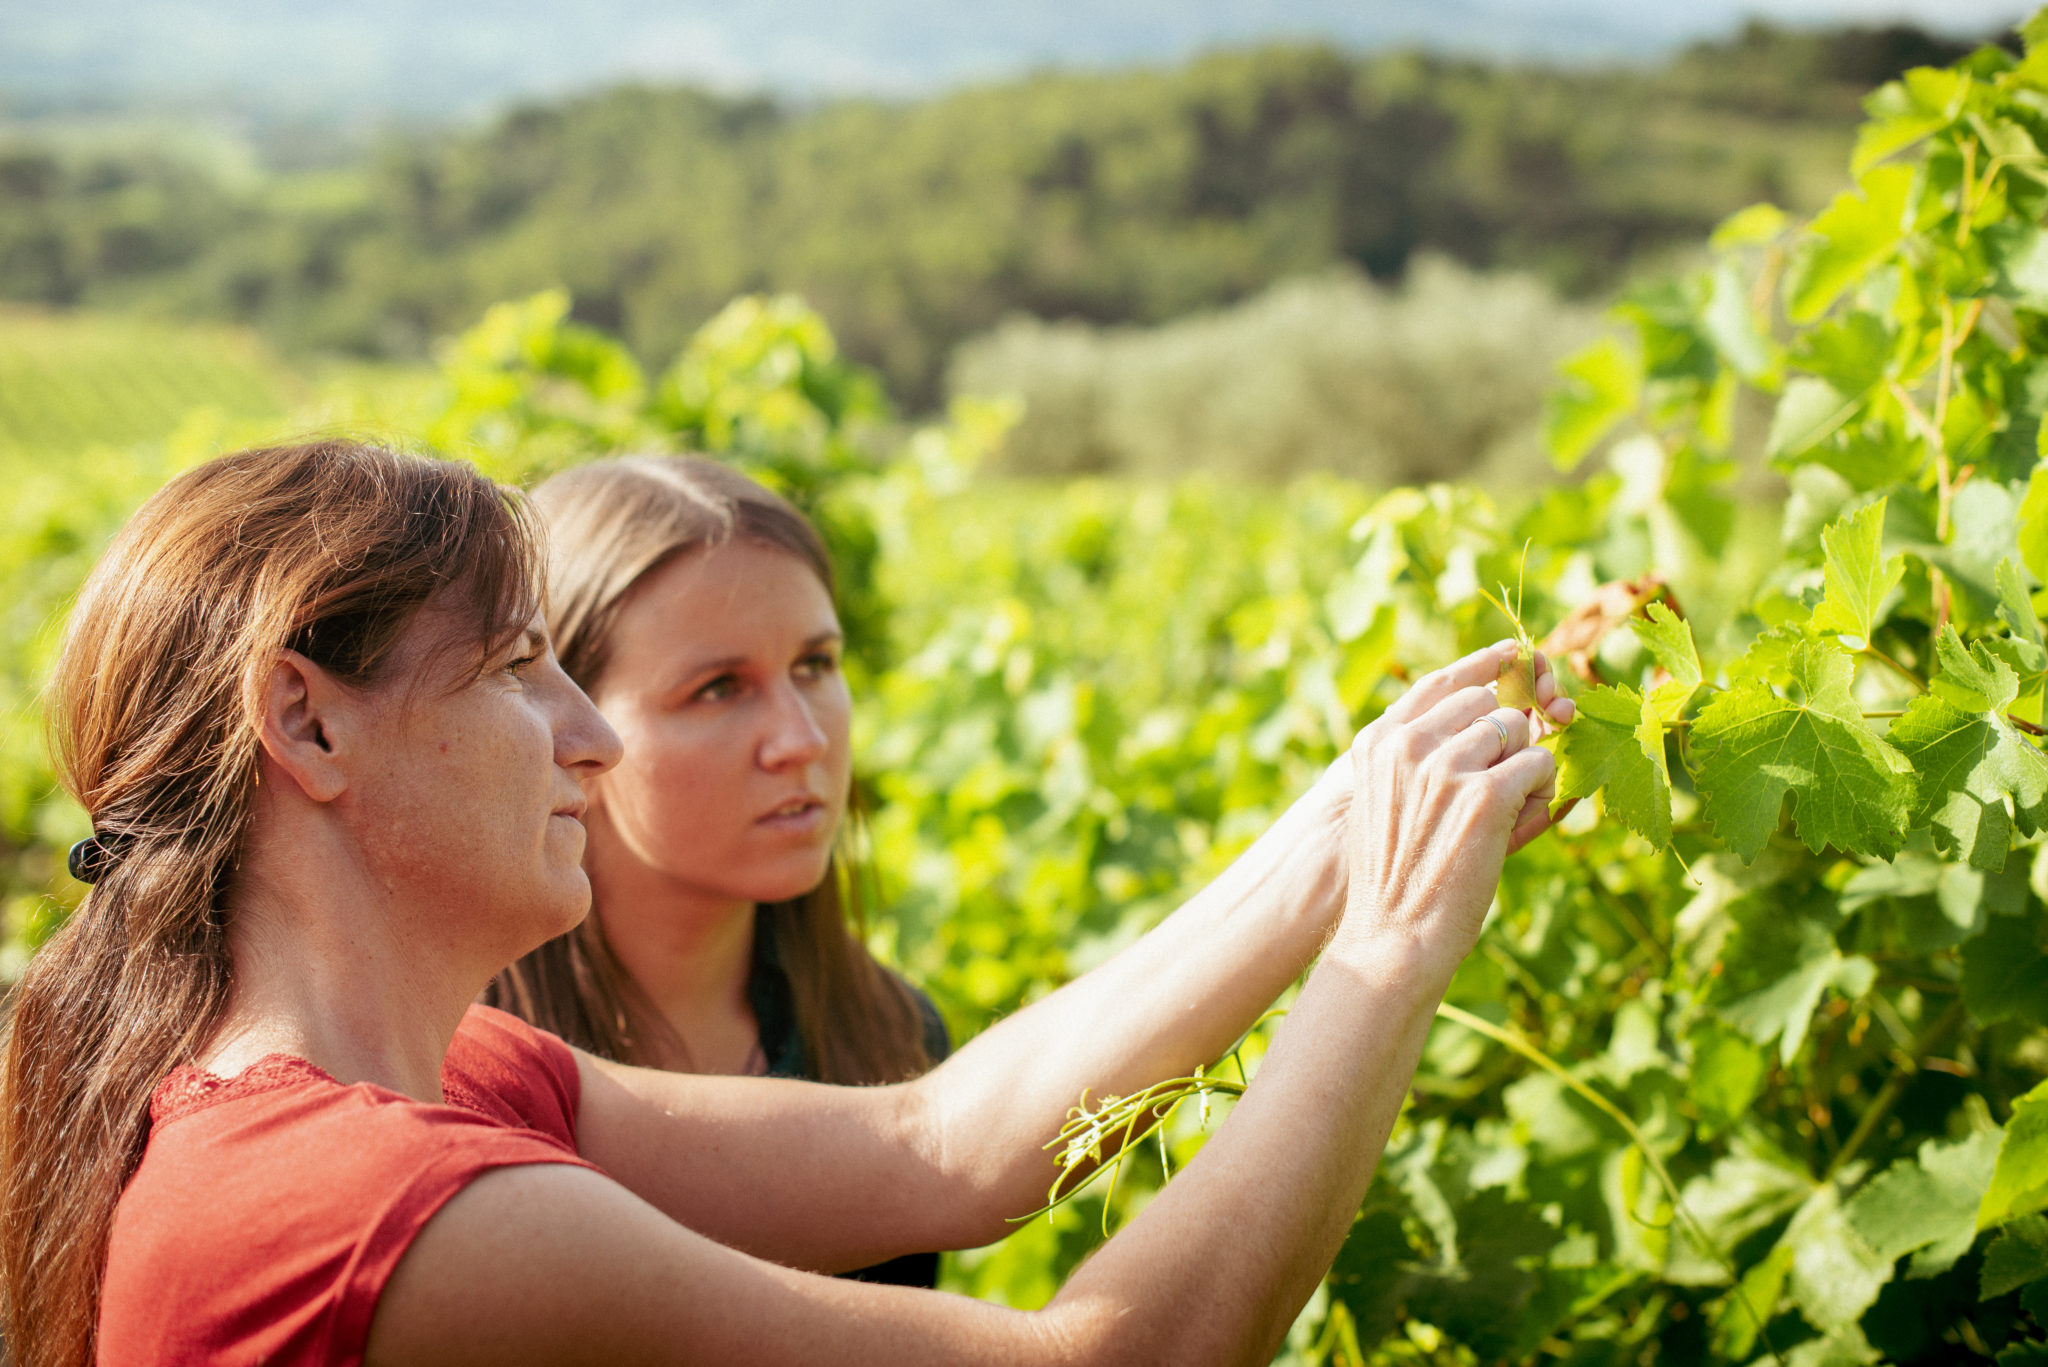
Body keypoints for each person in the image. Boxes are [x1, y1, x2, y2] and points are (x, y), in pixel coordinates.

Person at [0, 440, 1571, 1367]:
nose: (591, 733)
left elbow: (942, 1140)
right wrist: (1386, 948)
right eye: (511, 668)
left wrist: (1349, 823)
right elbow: (1112, 1357)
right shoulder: (392, 1206)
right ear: (311, 723)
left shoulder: (429, 1082)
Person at [484, 458, 953, 1286]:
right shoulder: (446, 1069)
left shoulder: (890, 1033)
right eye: (719, 687)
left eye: (816, 664)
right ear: (566, 721)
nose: (801, 738)